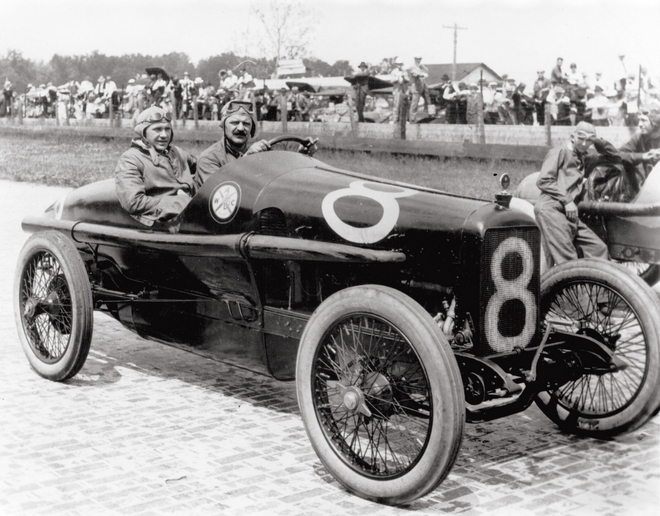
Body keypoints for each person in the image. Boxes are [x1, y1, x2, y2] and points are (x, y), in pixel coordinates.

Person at [534, 121, 622, 265]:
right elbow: (543, 180)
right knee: (568, 259)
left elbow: (615, 157)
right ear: (572, 137)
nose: (584, 143)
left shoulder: (582, 157)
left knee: (598, 249)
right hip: (551, 209)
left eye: (589, 140)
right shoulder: (559, 152)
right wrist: (567, 201)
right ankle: (573, 286)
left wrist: (598, 141)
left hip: (569, 213)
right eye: (581, 138)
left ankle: (599, 285)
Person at [195, 100, 317, 186]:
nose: (241, 128)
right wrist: (247, 158)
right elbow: (223, 193)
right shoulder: (208, 158)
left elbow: (280, 180)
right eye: (234, 123)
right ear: (223, 126)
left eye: (246, 124)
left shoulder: (261, 154)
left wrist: (301, 156)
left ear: (252, 129)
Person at [115, 106, 197, 227]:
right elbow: (133, 202)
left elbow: (201, 167)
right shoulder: (131, 159)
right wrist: (181, 202)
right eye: (157, 129)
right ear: (144, 133)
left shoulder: (177, 152)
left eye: (167, 129)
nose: (164, 135)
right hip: (163, 224)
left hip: (193, 216)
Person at [408, 56, 431, 123]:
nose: (419, 60)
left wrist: (423, 67)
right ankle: (412, 119)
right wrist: (422, 74)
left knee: (428, 100)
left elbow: (427, 71)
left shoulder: (421, 66)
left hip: (423, 85)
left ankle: (430, 114)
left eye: (420, 59)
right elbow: (415, 74)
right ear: (415, 59)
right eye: (417, 59)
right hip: (417, 87)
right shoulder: (412, 67)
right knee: (415, 104)